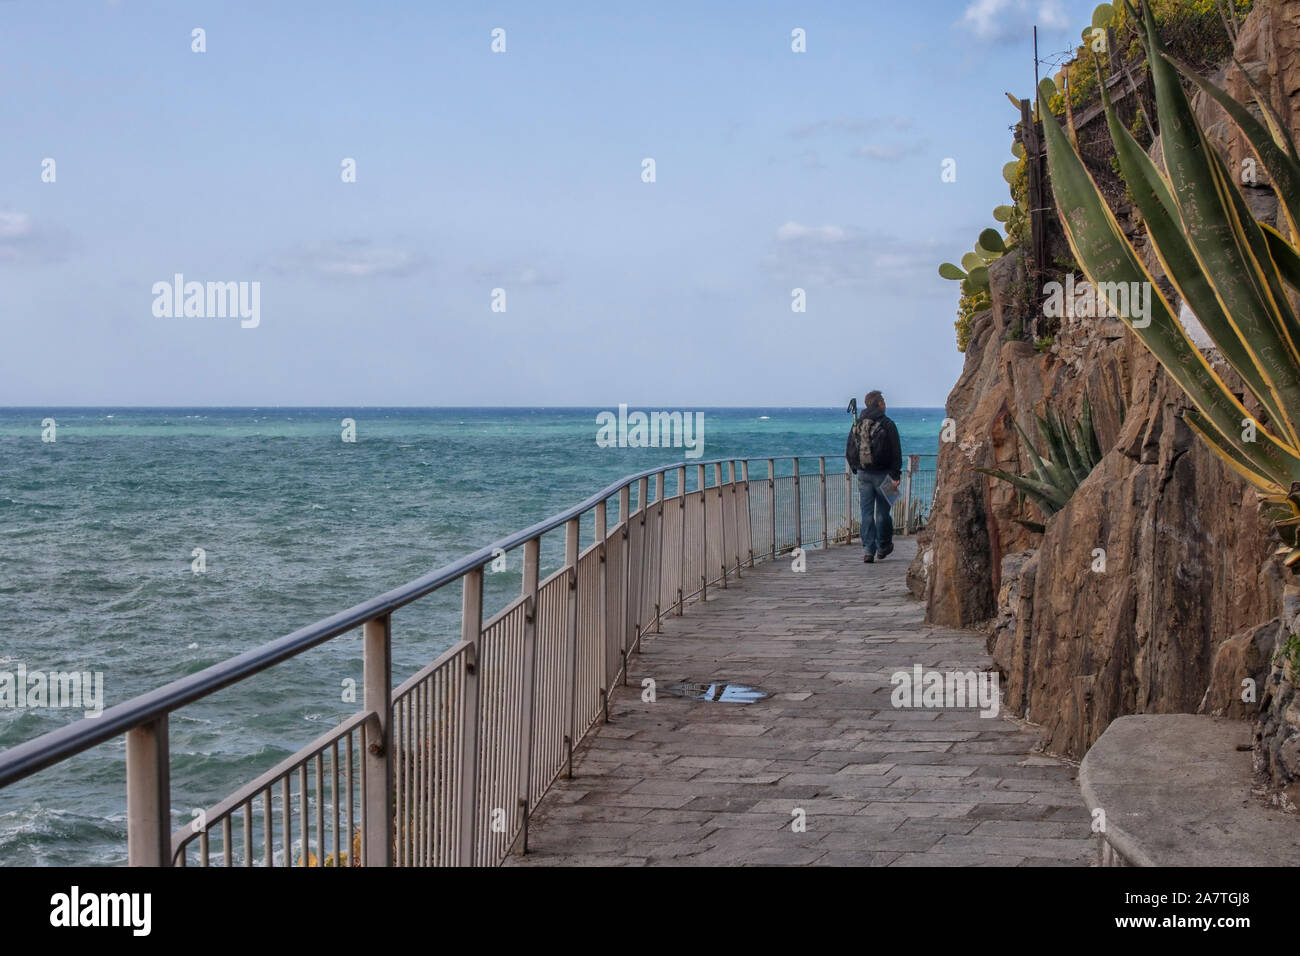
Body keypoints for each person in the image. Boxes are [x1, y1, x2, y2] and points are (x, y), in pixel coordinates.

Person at [845, 390, 902, 563]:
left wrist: (855, 468)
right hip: (884, 475)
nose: (885, 404)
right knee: (884, 513)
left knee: (866, 513)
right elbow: (896, 451)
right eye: (883, 401)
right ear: (879, 404)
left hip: (863, 474)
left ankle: (868, 550)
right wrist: (896, 474)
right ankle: (883, 546)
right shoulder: (887, 423)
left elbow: (849, 448)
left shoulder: (858, 423)